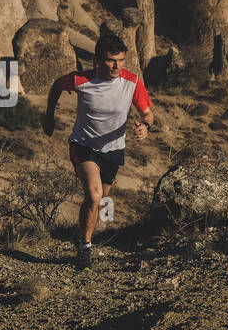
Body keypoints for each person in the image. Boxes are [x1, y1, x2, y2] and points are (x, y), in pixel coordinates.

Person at [41, 34, 154, 270]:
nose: (117, 66)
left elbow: (147, 113)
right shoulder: (81, 80)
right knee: (93, 196)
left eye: (121, 60)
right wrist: (49, 115)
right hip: (84, 145)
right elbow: (56, 86)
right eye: (111, 60)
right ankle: (84, 247)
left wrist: (145, 127)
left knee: (101, 199)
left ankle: (89, 233)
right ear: (98, 60)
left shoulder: (132, 81)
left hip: (113, 150)